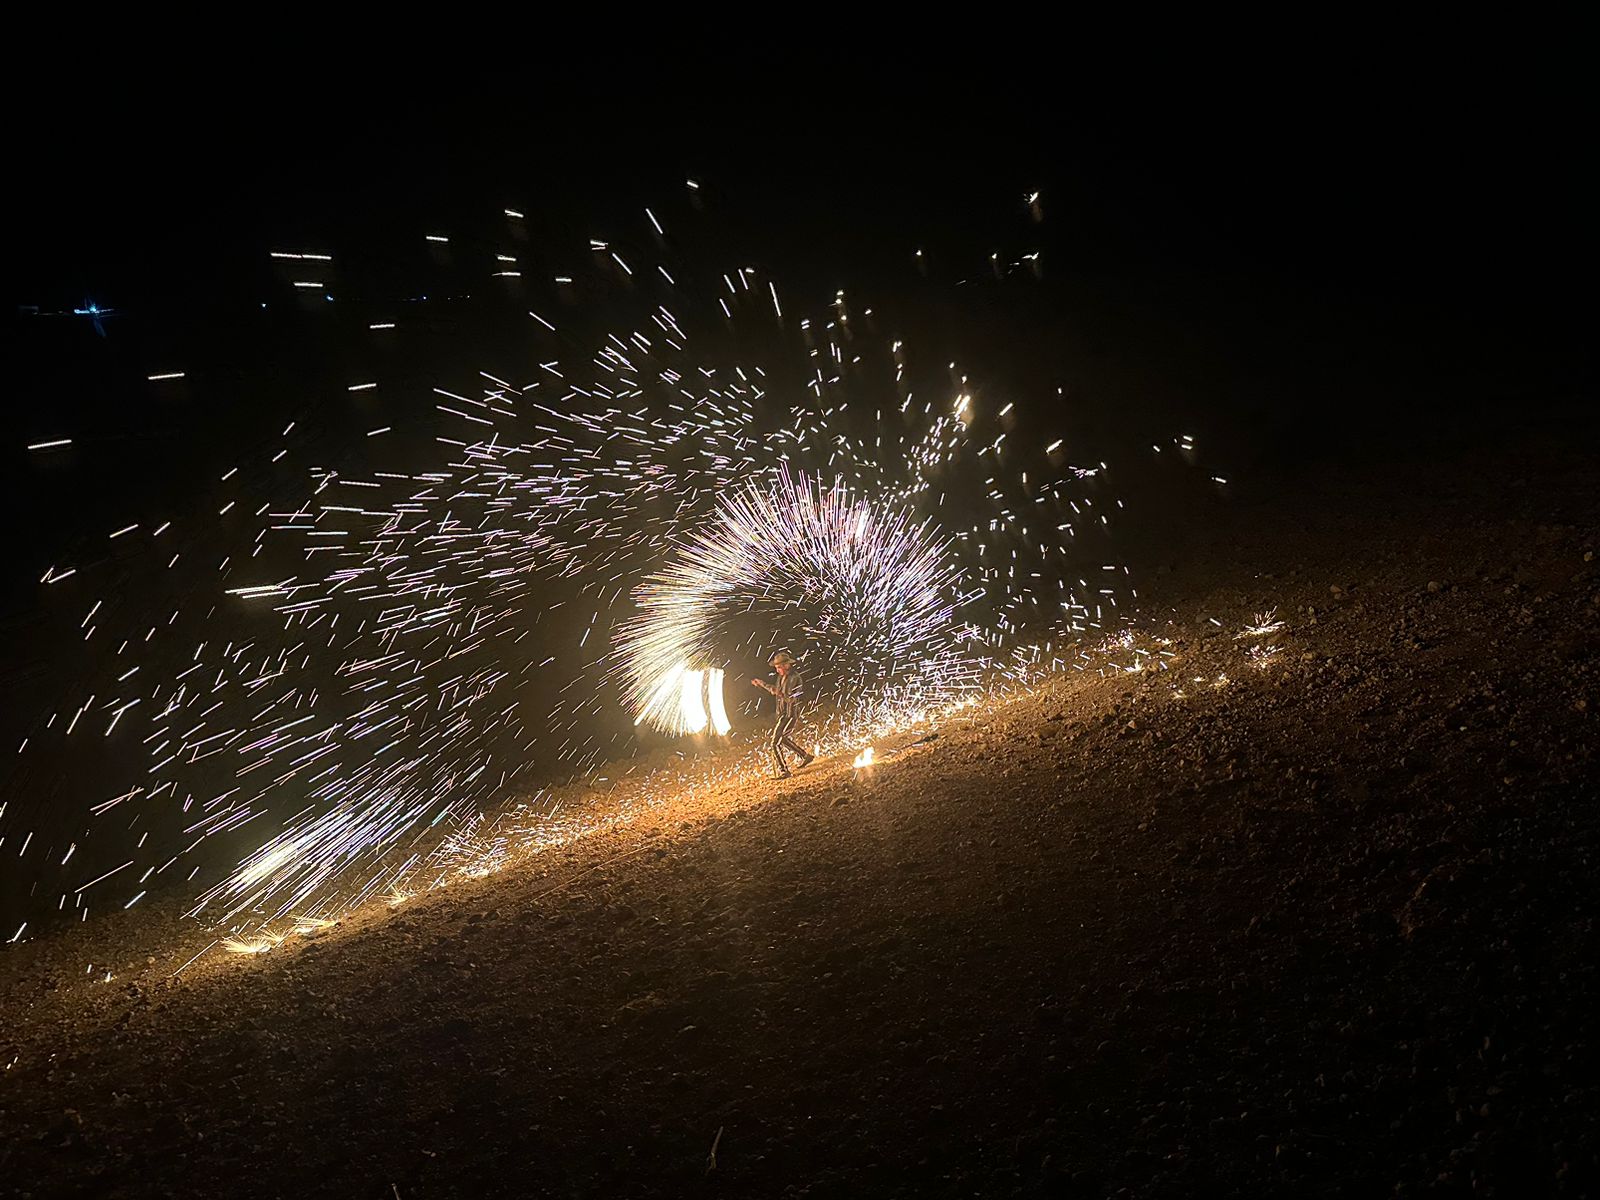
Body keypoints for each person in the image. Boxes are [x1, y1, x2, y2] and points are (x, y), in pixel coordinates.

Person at [752, 649, 814, 778]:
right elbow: (775, 690)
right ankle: (805, 756)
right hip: (783, 715)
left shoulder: (795, 678)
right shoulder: (781, 678)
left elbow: (793, 698)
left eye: (779, 667)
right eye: (776, 667)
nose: (777, 670)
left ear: (787, 665)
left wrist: (780, 694)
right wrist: (762, 683)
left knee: (775, 743)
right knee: (782, 739)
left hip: (790, 715)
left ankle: (784, 771)